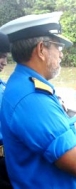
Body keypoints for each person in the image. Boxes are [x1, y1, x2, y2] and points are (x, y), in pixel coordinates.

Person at [0, 12, 76, 188]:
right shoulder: (31, 99)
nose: (61, 55)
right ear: (41, 49)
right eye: (59, 47)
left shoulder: (26, 86)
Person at [0, 32, 12, 189]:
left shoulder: (4, 86)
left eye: (5, 57)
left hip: (7, 157)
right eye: (1, 56)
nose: (4, 62)